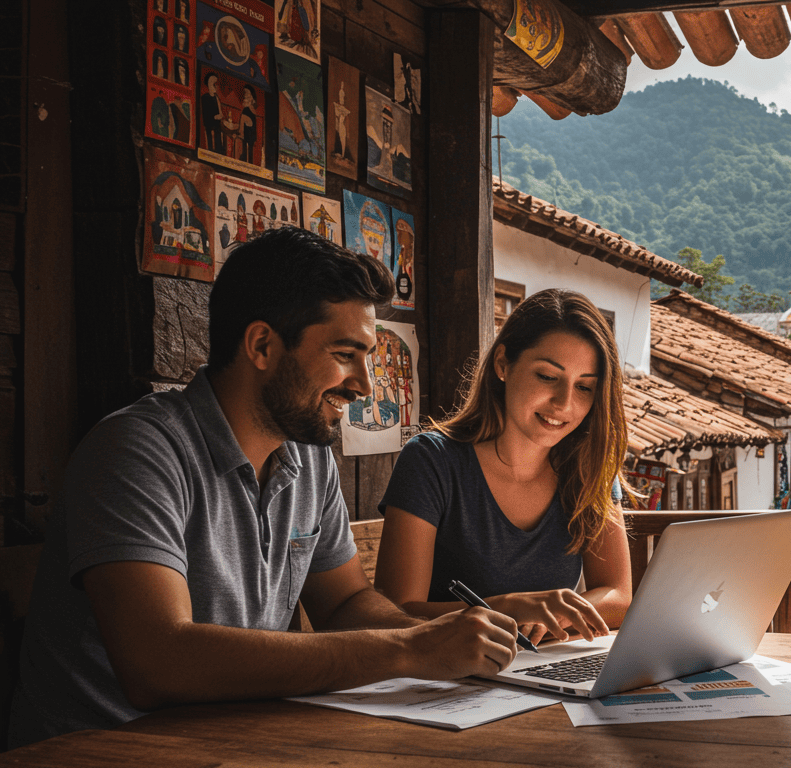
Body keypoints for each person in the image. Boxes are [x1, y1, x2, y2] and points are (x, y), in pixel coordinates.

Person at [8, 228, 520, 749]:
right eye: (346, 354)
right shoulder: (136, 450)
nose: (365, 384)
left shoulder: (308, 455)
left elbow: (343, 604)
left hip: (235, 743)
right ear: (261, 345)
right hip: (105, 752)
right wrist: (407, 650)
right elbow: (158, 661)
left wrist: (431, 641)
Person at [374, 289, 632, 646]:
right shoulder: (432, 461)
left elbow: (617, 594)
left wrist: (551, 616)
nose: (564, 403)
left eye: (585, 387)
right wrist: (508, 609)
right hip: (448, 677)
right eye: (547, 376)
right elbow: (395, 612)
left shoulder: (590, 466)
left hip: (541, 662)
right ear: (502, 365)